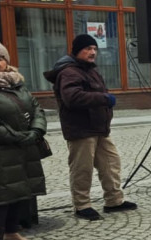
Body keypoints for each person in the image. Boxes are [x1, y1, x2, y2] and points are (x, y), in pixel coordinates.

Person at [43, 34, 135, 221]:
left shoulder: (90, 70)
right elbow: (73, 97)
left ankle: (114, 200)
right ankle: (82, 205)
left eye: (94, 49)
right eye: (88, 49)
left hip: (99, 127)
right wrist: (103, 99)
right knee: (82, 168)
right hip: (81, 129)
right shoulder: (69, 72)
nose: (92, 52)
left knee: (111, 163)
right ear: (77, 51)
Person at [0, 43, 47, 240]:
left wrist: (36, 130)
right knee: (2, 195)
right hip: (4, 149)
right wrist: (15, 136)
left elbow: (36, 108)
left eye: (0, 58)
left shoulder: (18, 84)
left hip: (24, 148)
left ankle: (11, 232)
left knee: (20, 191)